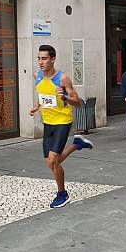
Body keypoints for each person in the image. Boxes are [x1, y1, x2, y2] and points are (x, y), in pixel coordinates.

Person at [29, 45, 93, 208]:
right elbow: (43, 95)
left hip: (63, 122)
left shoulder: (62, 79)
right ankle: (77, 144)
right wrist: (37, 106)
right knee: (50, 162)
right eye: (39, 58)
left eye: (44, 59)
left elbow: (78, 102)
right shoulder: (37, 76)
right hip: (48, 122)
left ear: (53, 59)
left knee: (53, 161)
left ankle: (62, 194)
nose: (41, 62)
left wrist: (65, 97)